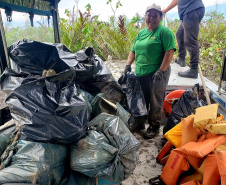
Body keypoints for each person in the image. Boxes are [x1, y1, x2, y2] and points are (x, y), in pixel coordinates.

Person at [124, 3, 176, 139]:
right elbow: (133, 50)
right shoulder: (141, 33)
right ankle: (139, 123)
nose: (151, 18)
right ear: (145, 16)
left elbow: (169, 52)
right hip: (140, 73)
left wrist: (161, 70)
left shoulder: (164, 32)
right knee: (140, 100)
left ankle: (154, 126)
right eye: (149, 15)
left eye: (155, 16)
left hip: (157, 73)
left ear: (160, 17)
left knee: (155, 101)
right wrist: (128, 65)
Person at [162, 0, 205, 79]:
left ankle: (193, 69)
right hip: (188, 12)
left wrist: (165, 10)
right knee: (180, 34)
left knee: (190, 40)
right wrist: (165, 10)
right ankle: (182, 59)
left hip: (191, 10)